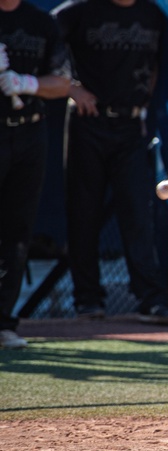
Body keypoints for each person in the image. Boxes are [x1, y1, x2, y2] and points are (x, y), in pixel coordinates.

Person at [52, 0, 168, 325]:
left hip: (131, 126)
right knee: (83, 212)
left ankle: (150, 301)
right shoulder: (78, 10)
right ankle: (87, 300)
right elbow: (41, 40)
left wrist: (144, 104)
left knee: (139, 212)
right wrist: (71, 88)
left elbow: (155, 68)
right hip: (87, 121)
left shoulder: (153, 14)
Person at [0, 0, 70, 349]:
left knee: (17, 230)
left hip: (30, 132)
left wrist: (25, 82)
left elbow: (62, 83)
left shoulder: (42, 23)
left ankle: (4, 323)